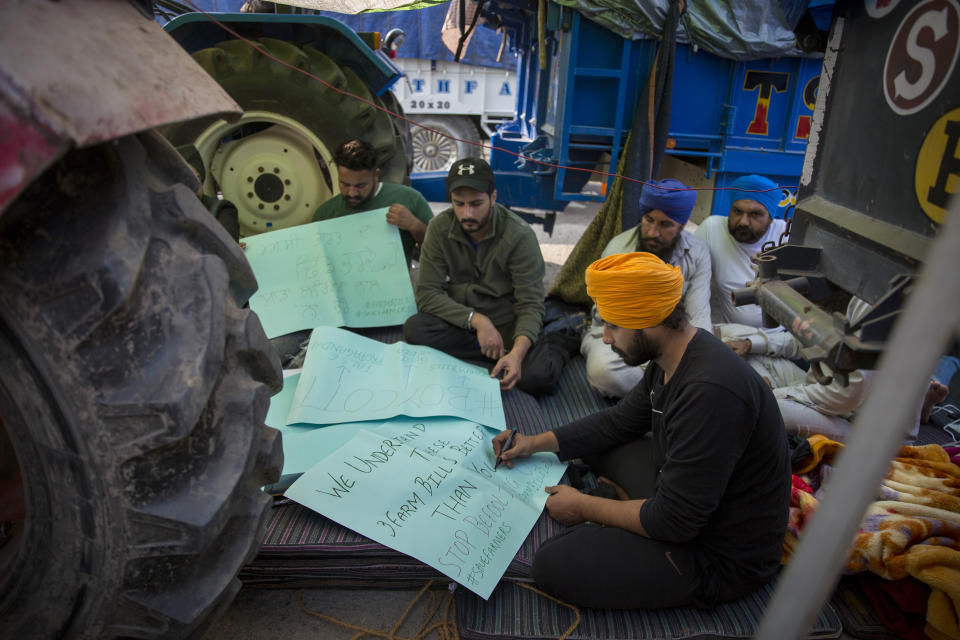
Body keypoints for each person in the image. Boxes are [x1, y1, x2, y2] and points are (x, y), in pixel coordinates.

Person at [493, 252, 790, 609]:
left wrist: (585, 507)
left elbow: (675, 522)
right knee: (593, 443)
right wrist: (532, 443)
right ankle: (626, 508)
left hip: (718, 554)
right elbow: (618, 422)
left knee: (553, 562)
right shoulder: (673, 356)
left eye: (614, 326)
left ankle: (623, 511)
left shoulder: (710, 391)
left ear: (648, 322)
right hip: (690, 501)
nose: (606, 339)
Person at [402, 158, 576, 396]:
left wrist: (516, 354)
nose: (467, 213)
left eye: (476, 203)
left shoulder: (519, 236)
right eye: (458, 204)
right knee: (416, 329)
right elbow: (427, 293)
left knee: (538, 378)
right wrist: (478, 321)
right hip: (466, 321)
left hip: (508, 322)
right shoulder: (439, 228)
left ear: (493, 197)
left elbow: (530, 304)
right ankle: (492, 351)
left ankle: (552, 339)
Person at [580, 178, 712, 397]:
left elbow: (699, 314)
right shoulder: (619, 251)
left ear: (681, 224)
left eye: (665, 224)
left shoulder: (697, 252)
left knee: (713, 351)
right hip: (620, 335)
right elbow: (608, 318)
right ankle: (676, 391)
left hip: (673, 337)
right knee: (604, 372)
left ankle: (665, 390)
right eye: (649, 220)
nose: (653, 232)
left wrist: (693, 355)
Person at [313, 139, 434, 267]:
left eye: (361, 185)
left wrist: (415, 226)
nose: (352, 193)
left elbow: (440, 251)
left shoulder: (409, 199)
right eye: (345, 184)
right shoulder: (325, 214)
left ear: (376, 175)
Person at [694, 174, 788, 326]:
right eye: (737, 212)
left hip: (781, 337)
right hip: (731, 335)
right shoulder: (713, 229)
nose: (743, 222)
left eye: (755, 214)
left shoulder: (784, 236)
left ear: (771, 218)